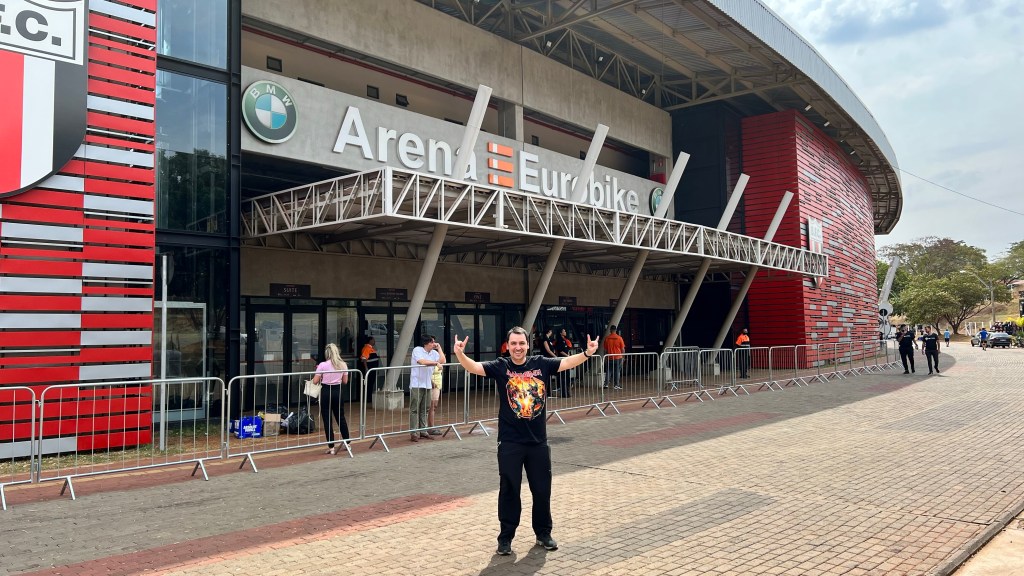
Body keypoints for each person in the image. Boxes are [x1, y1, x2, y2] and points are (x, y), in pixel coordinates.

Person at [452, 326, 598, 556]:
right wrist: (460, 354)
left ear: (528, 345)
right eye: (514, 344)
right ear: (508, 346)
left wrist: (588, 353)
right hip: (510, 442)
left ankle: (543, 533)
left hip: (538, 441)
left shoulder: (541, 364)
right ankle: (505, 538)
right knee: (509, 490)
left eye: (521, 343)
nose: (518, 347)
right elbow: (475, 367)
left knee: (541, 490)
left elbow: (567, 362)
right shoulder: (501, 366)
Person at [311, 343, 350, 455]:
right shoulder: (343, 364)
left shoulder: (322, 365)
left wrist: (320, 373)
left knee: (327, 420)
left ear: (327, 353)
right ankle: (347, 443)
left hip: (326, 391)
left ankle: (331, 447)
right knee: (341, 418)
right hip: (338, 391)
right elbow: (345, 381)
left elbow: (315, 381)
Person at [409, 335, 445, 442]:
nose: (434, 344)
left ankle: (423, 431)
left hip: (427, 384)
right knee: (415, 409)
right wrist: (436, 363)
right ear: (426, 343)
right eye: (432, 342)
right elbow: (422, 362)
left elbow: (442, 360)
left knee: (425, 409)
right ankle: (414, 432)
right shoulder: (417, 350)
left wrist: (439, 348)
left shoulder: (434, 353)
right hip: (416, 384)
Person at [603, 325, 625, 390]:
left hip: (609, 357)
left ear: (610, 330)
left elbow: (605, 350)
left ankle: (606, 384)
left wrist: (605, 357)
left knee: (608, 371)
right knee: (617, 371)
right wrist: (623, 357)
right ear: (616, 330)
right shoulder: (619, 338)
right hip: (618, 357)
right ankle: (616, 385)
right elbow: (623, 349)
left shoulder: (607, 338)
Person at [554, 328, 573, 398]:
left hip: (566, 360)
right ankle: (564, 393)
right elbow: (560, 351)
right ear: (560, 333)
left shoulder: (565, 340)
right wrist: (567, 356)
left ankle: (567, 392)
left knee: (567, 377)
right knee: (563, 377)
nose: (565, 332)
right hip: (562, 360)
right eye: (564, 331)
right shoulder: (559, 341)